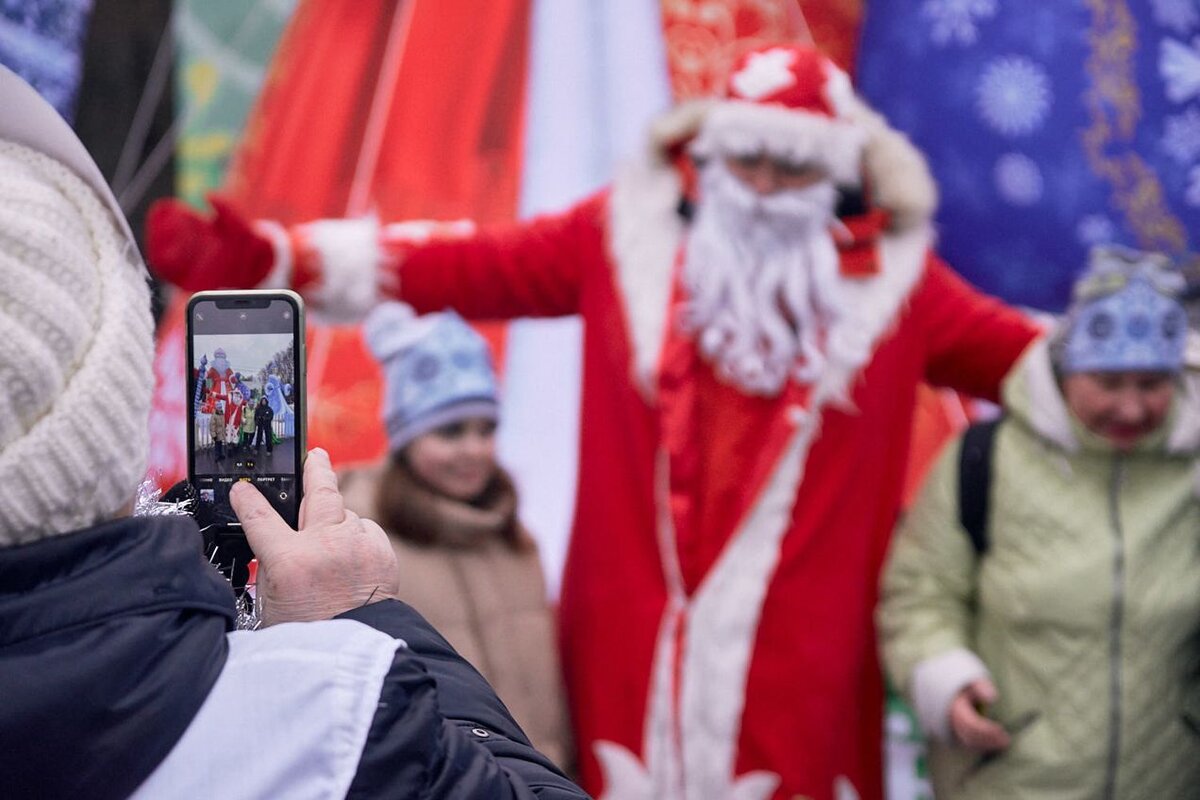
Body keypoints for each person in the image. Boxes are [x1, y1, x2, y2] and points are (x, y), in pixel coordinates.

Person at [144, 42, 1041, 799]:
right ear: (709, 160)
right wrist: (282, 255)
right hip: (623, 661)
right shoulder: (628, 242)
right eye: (746, 161)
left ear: (836, 175)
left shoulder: (898, 293)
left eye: (791, 165)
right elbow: (470, 262)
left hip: (806, 684)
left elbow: (1050, 373)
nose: (764, 188)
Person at [0, 64, 587, 800]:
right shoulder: (325, 722)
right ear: (109, 418)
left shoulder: (515, 535)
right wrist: (364, 622)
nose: (471, 450)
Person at [878, 246, 1200, 798]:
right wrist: (944, 678)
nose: (1130, 408)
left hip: (1168, 778)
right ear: (1064, 369)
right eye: (1108, 382)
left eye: (1150, 384)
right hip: (1010, 776)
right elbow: (919, 592)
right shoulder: (984, 459)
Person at [337, 301, 574, 773]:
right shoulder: (363, 544)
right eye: (449, 431)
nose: (474, 449)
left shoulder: (513, 537)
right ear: (405, 436)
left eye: (487, 429)